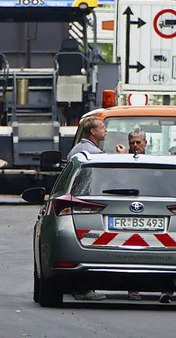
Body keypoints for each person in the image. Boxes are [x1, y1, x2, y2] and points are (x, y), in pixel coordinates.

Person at [117, 129, 174, 303]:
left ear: (145, 143)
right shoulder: (123, 161)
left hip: (153, 213)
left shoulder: (154, 163)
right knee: (132, 253)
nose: (135, 146)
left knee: (161, 252)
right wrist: (122, 157)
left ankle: (166, 289)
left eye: (138, 143)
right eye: (132, 143)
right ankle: (133, 289)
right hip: (130, 214)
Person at [67, 116, 109, 301]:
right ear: (93, 132)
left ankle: (74, 286)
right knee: (91, 244)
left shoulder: (77, 150)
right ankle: (83, 289)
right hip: (90, 203)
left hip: (77, 201)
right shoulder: (94, 154)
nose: (105, 130)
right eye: (102, 127)